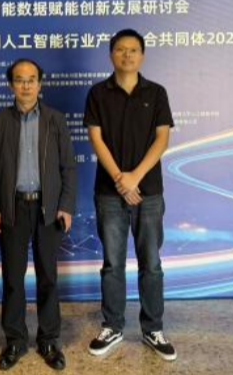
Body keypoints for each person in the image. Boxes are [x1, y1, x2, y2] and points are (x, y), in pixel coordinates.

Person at [84, 29, 177, 361]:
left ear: (142, 55)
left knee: (151, 263)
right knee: (112, 264)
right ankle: (112, 326)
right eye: (121, 49)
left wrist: (134, 177)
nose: (127, 55)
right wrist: (120, 180)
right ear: (111, 54)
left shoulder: (157, 93)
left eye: (133, 49)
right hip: (109, 193)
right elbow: (96, 139)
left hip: (148, 193)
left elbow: (162, 139)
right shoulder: (98, 93)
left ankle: (153, 329)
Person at [0, 58, 77, 371]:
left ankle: (48, 340)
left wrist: (66, 205)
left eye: (31, 79)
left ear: (40, 83)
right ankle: (15, 340)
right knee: (13, 278)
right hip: (12, 209)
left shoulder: (55, 120)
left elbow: (68, 167)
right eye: (20, 80)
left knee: (48, 276)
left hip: (48, 209)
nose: (26, 85)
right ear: (11, 85)